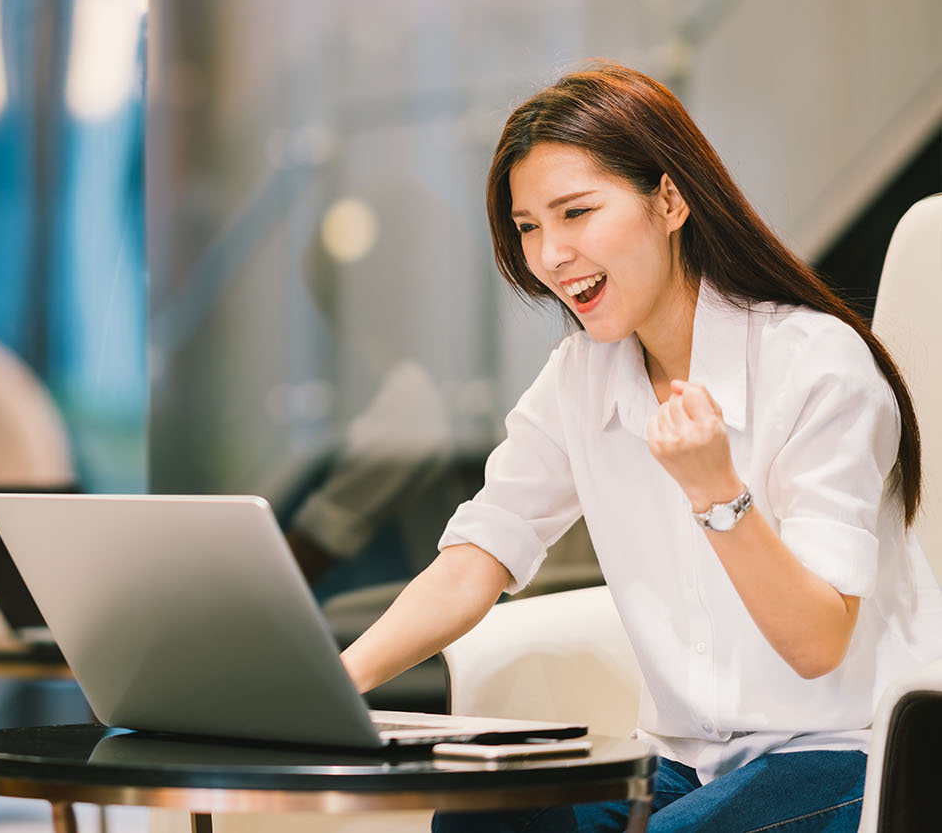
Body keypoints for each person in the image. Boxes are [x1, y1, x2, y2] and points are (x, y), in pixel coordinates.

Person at [340, 61, 942, 833]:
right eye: (529, 226)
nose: (551, 253)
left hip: (851, 756)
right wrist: (333, 687)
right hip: (683, 765)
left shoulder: (816, 365)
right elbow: (475, 559)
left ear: (669, 198)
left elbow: (818, 641)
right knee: (480, 821)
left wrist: (717, 491)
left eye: (576, 212)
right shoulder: (580, 377)